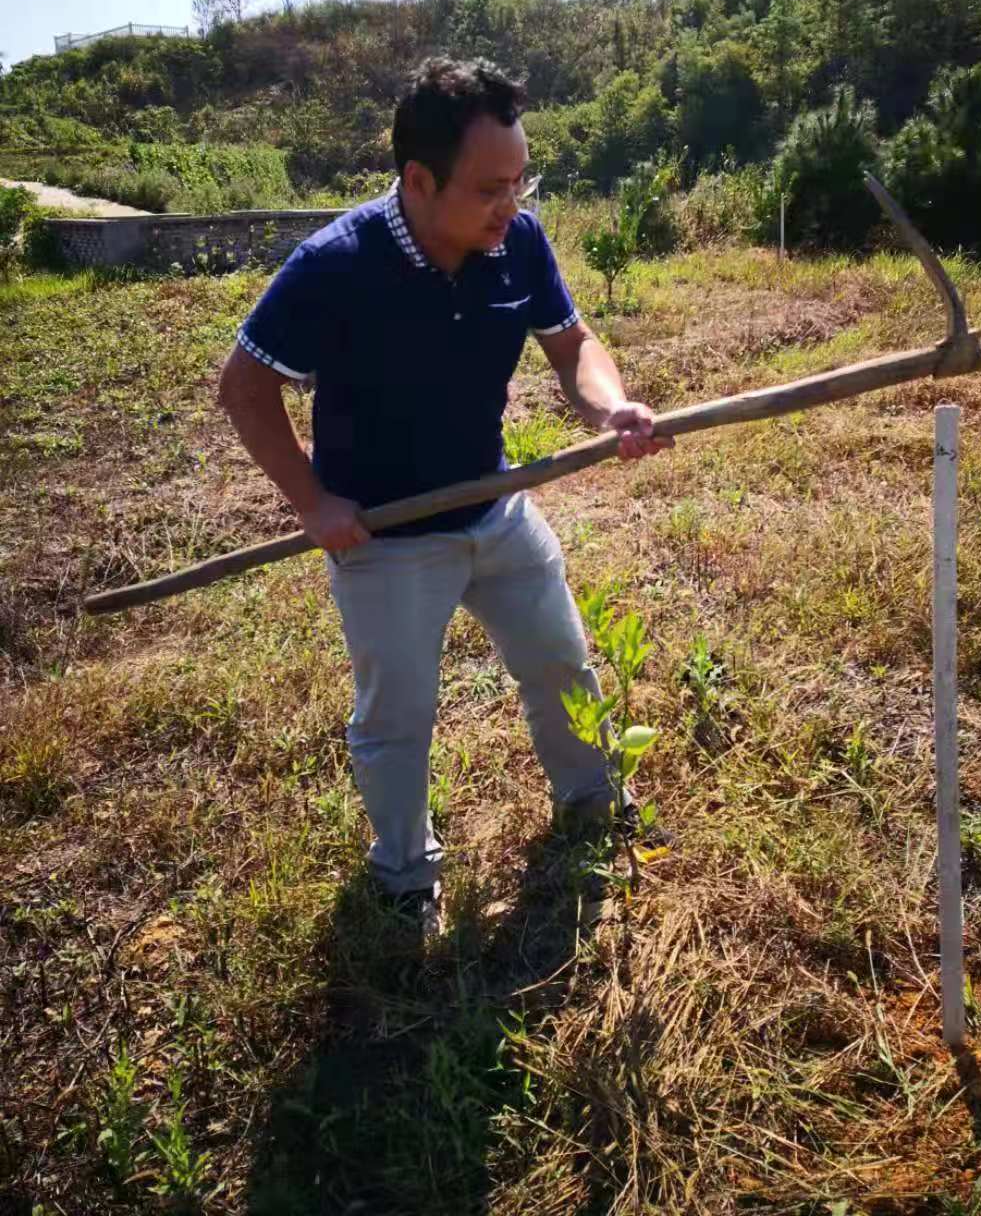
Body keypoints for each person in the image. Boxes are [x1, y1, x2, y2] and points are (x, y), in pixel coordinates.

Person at [218, 57, 671, 932]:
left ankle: (593, 806)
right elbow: (244, 386)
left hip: (496, 504)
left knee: (560, 662)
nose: (512, 205)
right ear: (419, 181)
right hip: (386, 536)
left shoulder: (519, 243)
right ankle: (403, 877)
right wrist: (312, 502)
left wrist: (610, 406)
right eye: (490, 188)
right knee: (398, 716)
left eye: (520, 181)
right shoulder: (335, 266)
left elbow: (573, 344)